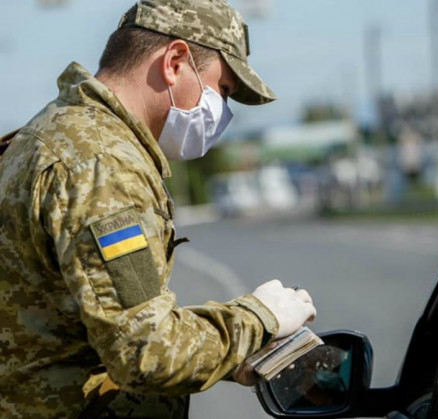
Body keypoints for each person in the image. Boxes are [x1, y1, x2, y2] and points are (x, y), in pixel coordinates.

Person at [0, 1, 316, 417]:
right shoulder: (102, 164)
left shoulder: (56, 131)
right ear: (175, 61)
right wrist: (261, 318)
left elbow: (84, 327)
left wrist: (229, 354)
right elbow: (146, 353)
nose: (223, 112)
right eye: (222, 90)